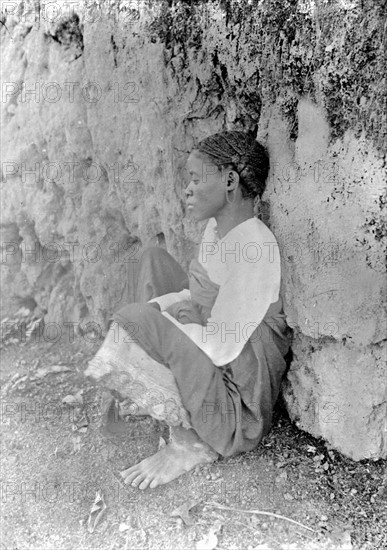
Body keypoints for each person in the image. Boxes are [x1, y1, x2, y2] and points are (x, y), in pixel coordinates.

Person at [85, 131, 290, 490]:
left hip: (233, 408)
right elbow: (197, 296)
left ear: (229, 181)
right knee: (150, 262)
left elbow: (222, 347)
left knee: (137, 320)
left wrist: (165, 319)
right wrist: (169, 310)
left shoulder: (254, 248)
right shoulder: (217, 230)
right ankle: (165, 401)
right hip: (212, 353)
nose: (188, 189)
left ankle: (191, 442)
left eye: (196, 178)